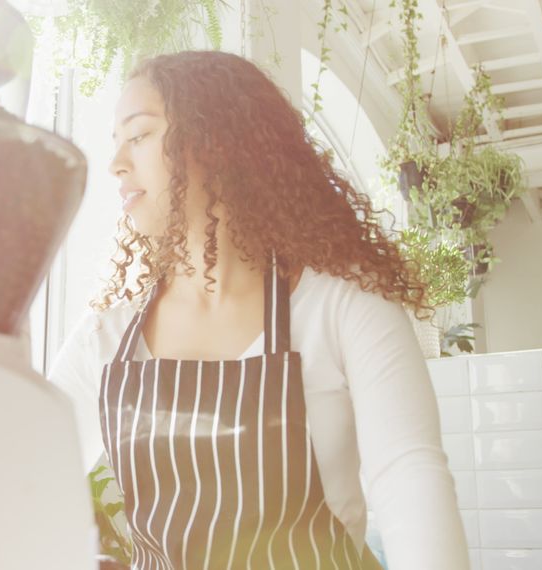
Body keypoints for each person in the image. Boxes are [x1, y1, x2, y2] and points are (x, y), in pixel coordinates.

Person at [48, 50, 467, 570]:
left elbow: (410, 481)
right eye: (116, 143)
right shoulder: (106, 339)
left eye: (139, 136)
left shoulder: (343, 309)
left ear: (216, 144)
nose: (116, 163)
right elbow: (20, 478)